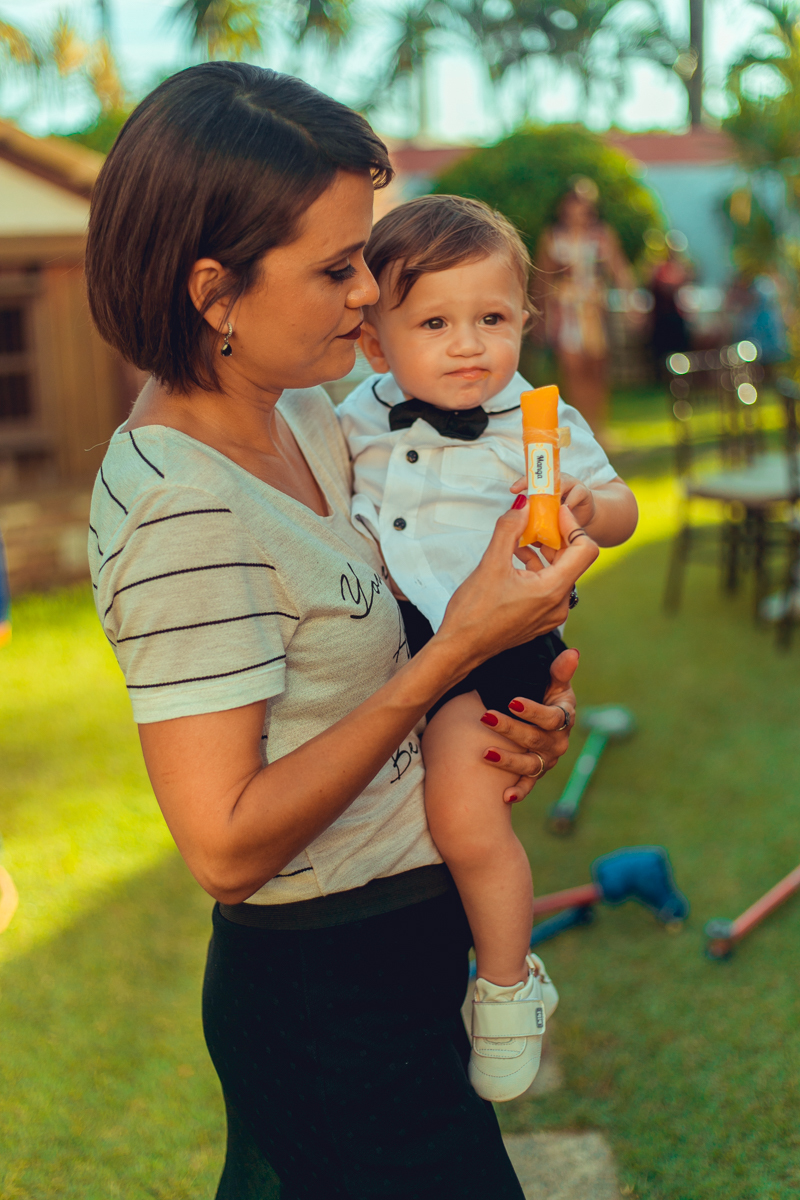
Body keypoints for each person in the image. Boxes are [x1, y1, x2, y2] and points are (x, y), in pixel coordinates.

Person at [84, 63, 598, 1199]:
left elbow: (410, 634)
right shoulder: (186, 511)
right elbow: (223, 842)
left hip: (406, 951)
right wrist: (455, 655)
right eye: (334, 268)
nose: (369, 293)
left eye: (362, 255)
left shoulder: (311, 417)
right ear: (213, 293)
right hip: (327, 997)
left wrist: (508, 706)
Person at [337, 194, 638, 1101]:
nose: (469, 345)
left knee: (467, 819)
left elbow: (621, 506)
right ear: (377, 344)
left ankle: (508, 985)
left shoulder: (537, 421)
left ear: (524, 323)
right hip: (397, 637)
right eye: (435, 322)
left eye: (493, 320)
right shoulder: (350, 419)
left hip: (501, 638)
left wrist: (593, 510)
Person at [536, 177, 636, 434]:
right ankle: (579, 429)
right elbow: (541, 279)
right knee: (572, 368)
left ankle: (599, 427)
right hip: (566, 312)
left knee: (597, 368)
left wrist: (631, 303)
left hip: (594, 310)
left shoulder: (601, 236)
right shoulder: (553, 237)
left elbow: (620, 270)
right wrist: (540, 317)